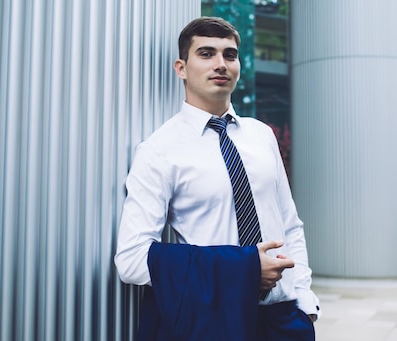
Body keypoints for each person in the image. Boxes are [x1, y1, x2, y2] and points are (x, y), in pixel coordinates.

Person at [114, 16, 320, 340]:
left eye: (230, 55)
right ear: (181, 68)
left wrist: (305, 303)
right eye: (207, 54)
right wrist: (244, 270)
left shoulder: (262, 135)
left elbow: (289, 223)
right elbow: (131, 259)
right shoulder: (158, 150)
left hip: (283, 319)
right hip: (213, 320)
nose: (221, 64)